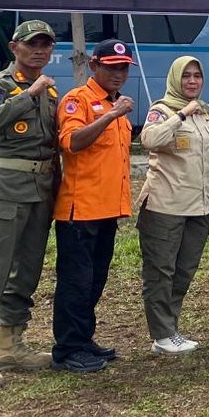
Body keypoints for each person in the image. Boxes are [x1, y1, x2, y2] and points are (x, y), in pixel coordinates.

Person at [0, 19, 59, 391]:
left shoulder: (51, 91)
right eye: (32, 44)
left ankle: (10, 344)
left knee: (26, 273)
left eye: (46, 45)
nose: (39, 51)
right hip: (4, 190)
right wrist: (28, 94)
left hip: (40, 191)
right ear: (15, 48)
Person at [51, 40, 136, 373]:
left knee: (95, 280)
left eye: (123, 68)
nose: (118, 74)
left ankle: (83, 339)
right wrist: (111, 115)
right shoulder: (78, 100)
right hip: (80, 211)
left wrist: (114, 111)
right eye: (111, 67)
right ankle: (67, 349)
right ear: (93, 65)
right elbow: (72, 142)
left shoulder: (116, 104)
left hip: (107, 209)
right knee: (76, 282)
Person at [136, 57, 209, 354]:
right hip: (165, 204)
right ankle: (162, 335)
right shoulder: (162, 110)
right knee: (161, 272)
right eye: (186, 76)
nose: (192, 81)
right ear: (175, 79)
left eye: (197, 75)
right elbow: (150, 140)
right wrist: (181, 115)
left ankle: (170, 328)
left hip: (198, 206)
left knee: (184, 270)